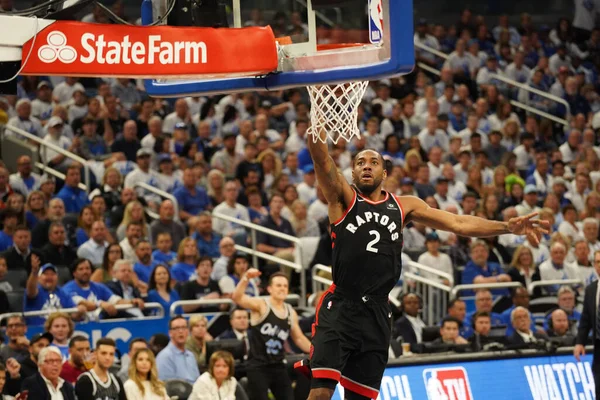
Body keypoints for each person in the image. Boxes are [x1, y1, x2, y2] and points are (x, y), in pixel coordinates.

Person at [305, 136, 548, 399]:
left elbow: (458, 224)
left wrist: (505, 227)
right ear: (351, 171)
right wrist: (316, 123)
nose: (366, 166)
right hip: (341, 306)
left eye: (373, 162)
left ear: (384, 173)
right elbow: (321, 158)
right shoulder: (343, 197)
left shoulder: (404, 205)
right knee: (320, 393)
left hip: (377, 312)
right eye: (360, 162)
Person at [232, 270, 311, 400]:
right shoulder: (261, 305)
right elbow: (237, 297)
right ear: (269, 289)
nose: (282, 288)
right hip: (258, 366)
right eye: (278, 285)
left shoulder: (290, 311)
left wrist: (316, 352)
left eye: (285, 286)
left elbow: (299, 338)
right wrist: (246, 277)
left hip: (278, 365)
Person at [575, 250, 600, 398]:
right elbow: (585, 319)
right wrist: (580, 342)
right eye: (597, 262)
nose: (599, 265)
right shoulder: (591, 289)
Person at [156, 316, 201, 384]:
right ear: (170, 333)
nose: (180, 331)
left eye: (183, 327)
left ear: (188, 331)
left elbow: (198, 381)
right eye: (176, 328)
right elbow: (167, 386)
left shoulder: (190, 355)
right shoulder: (164, 356)